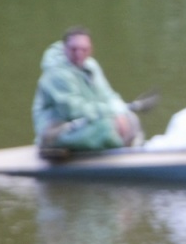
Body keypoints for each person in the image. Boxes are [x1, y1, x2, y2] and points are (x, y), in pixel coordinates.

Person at [32, 26, 145, 156]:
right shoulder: (56, 73)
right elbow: (73, 110)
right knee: (106, 128)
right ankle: (50, 147)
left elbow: (107, 95)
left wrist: (119, 111)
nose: (79, 54)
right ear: (65, 48)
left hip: (83, 122)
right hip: (55, 130)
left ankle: (127, 150)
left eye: (84, 49)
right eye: (74, 49)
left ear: (91, 49)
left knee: (131, 119)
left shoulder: (91, 65)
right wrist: (111, 114)